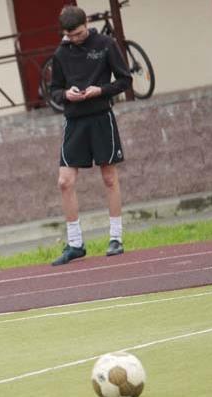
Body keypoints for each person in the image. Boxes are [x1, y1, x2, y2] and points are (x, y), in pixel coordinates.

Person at [49, 5, 132, 266]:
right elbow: (54, 90)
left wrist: (101, 90)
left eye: (79, 33)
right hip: (74, 122)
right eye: (70, 35)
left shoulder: (106, 44)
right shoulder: (61, 53)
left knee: (109, 177)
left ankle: (116, 238)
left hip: (101, 117)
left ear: (86, 24)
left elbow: (125, 80)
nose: (75, 39)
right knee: (65, 181)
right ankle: (75, 243)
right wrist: (66, 94)